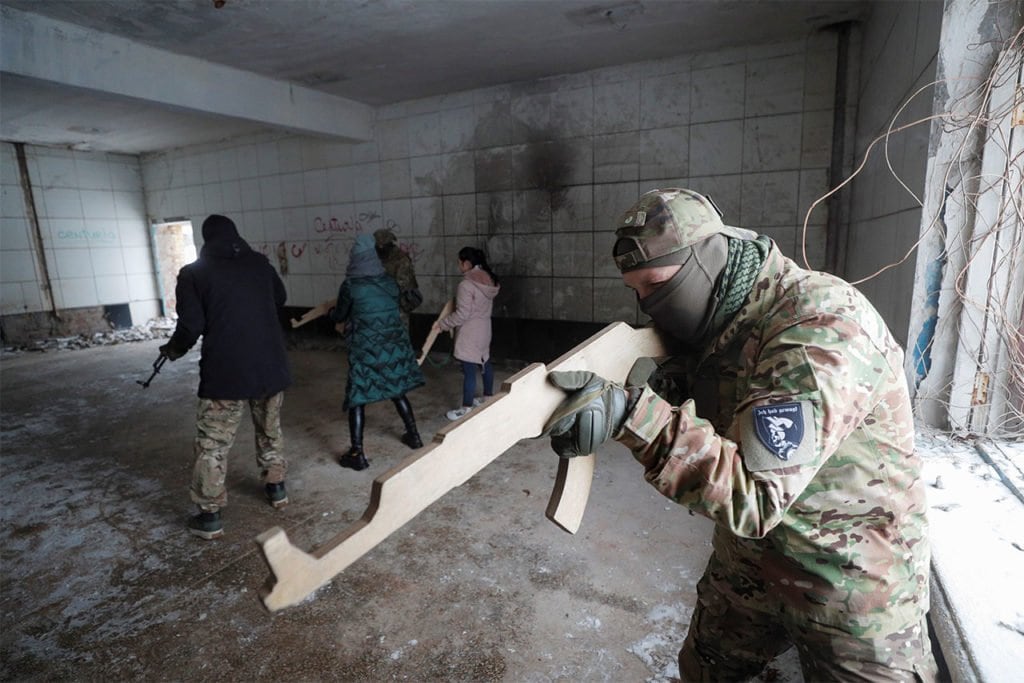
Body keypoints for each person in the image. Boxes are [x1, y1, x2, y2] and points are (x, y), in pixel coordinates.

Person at [544, 188, 937, 681]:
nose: (649, 305)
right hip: (750, 565)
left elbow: (753, 495)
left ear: (707, 262)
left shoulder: (819, 326)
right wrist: (637, 400)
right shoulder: (723, 318)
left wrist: (631, 416)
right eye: (636, 291)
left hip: (850, 585)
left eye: (656, 284)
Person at [160, 214, 292, 541]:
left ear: (206, 239)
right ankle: (276, 488)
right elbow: (280, 299)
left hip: (226, 370)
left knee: (214, 443)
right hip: (269, 365)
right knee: (269, 428)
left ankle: (210, 515)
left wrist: (173, 350)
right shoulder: (259, 264)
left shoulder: (194, 274)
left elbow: (191, 325)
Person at [330, 234, 425, 471]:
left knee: (358, 397)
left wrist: (332, 313)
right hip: (393, 345)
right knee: (396, 389)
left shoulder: (351, 286)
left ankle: (357, 453)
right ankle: (413, 436)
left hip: (365, 349)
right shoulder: (389, 282)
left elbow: (340, 315)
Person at [433, 247, 500, 421]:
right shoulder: (490, 281)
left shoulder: (466, 285)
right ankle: (487, 397)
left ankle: (466, 408)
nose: (458, 265)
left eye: (459, 262)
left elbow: (462, 314)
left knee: (469, 369)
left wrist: (443, 324)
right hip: (485, 329)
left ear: (467, 263)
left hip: (470, 331)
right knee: (485, 362)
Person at [373, 228, 422, 324]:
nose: (378, 249)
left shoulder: (401, 260)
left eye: (380, 246)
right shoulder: (378, 258)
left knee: (399, 333)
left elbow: (402, 286)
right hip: (381, 306)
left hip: (399, 306)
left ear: (387, 245)